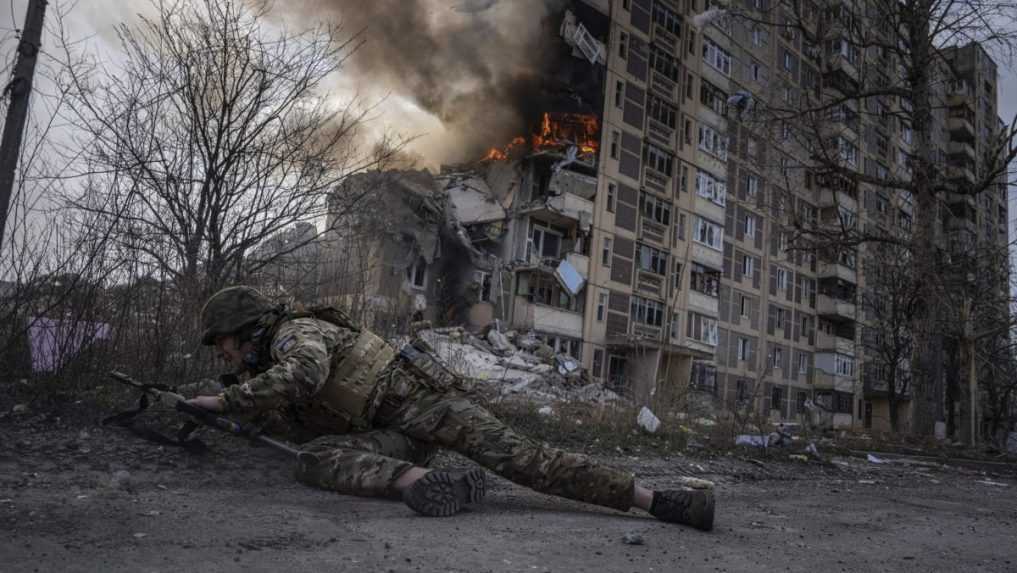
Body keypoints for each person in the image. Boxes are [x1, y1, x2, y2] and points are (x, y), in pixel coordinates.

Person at [185, 286, 715, 529]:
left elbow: (305, 374)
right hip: (396, 438)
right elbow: (298, 416)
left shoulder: (294, 333)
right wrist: (225, 411)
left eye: (224, 342)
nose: (224, 353)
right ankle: (423, 483)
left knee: (528, 462)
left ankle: (658, 501)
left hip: (431, 408)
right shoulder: (265, 361)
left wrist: (225, 399)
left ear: (246, 329)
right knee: (313, 458)